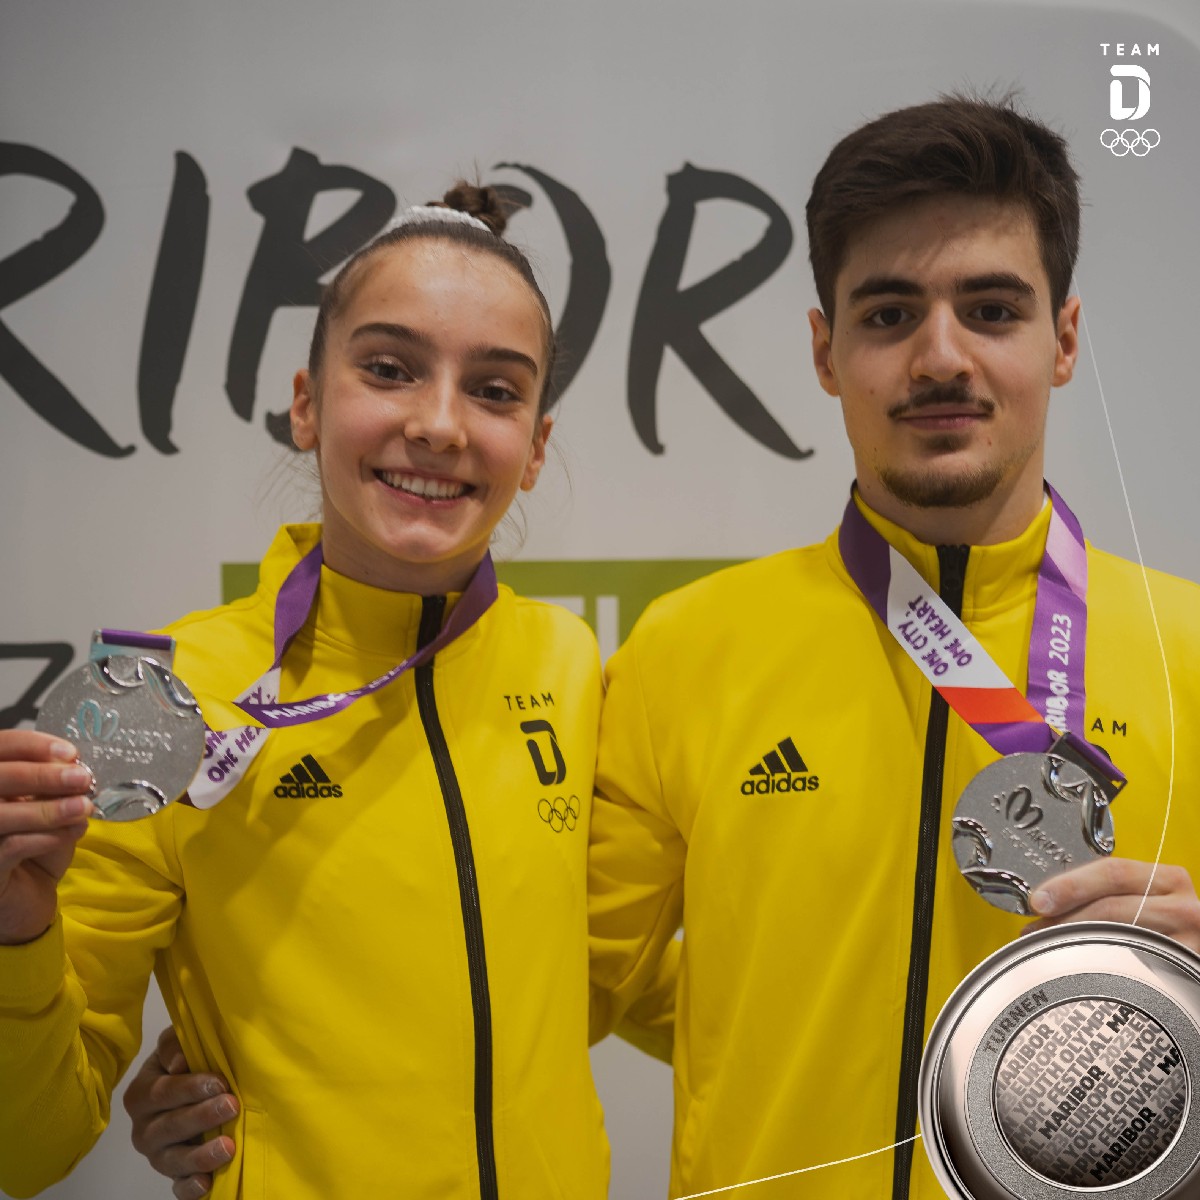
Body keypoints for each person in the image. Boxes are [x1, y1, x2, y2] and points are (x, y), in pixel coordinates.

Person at [585, 96, 1200, 1199]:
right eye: (887, 315)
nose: (940, 357)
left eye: (992, 308)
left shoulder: (1188, 650)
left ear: (1063, 341)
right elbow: (553, 982)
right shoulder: (689, 650)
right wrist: (223, 1053)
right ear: (826, 352)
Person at [0, 186, 615, 1199]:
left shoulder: (574, 666)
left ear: (537, 448)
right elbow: (30, 1147)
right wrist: (17, 932)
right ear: (306, 402)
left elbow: (608, 977)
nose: (439, 424)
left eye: (496, 391)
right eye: (388, 369)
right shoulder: (164, 703)